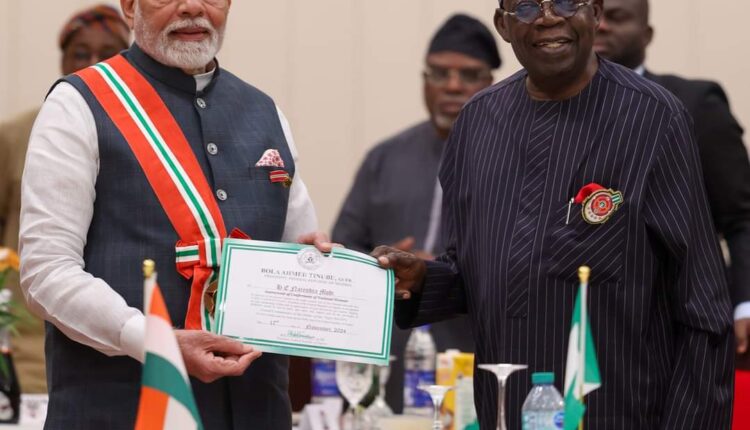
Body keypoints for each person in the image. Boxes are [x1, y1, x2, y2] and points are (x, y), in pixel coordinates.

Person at [374, 0, 734, 428]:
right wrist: (424, 280)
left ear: (595, 13)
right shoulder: (475, 125)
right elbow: (480, 274)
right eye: (525, 6)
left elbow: (703, 307)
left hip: (621, 415)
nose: (547, 17)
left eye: (565, 2)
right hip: (503, 414)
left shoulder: (654, 119)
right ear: (503, 25)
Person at [19, 0, 329, 428]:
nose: (192, 8)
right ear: (130, 6)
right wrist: (154, 341)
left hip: (257, 411)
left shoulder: (265, 111)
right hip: (121, 412)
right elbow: (45, 272)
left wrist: (316, 266)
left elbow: (298, 249)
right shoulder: (77, 105)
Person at [331, 13, 500, 412]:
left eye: (468, 74)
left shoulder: (514, 159)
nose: (453, 86)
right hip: (392, 362)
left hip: (478, 361)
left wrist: (437, 270)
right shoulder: (385, 159)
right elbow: (343, 251)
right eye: (440, 74)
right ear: (424, 81)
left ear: (491, 83)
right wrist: (382, 263)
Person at [593, 0, 750, 363]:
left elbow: (741, 216)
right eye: (597, 16)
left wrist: (745, 304)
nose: (602, 27)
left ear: (646, 35)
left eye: (617, 18)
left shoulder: (694, 103)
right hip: (584, 321)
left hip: (679, 321)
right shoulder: (552, 111)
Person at [0, 4, 130, 394]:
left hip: (123, 347)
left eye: (108, 54)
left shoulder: (152, 142)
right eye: (80, 54)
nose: (92, 65)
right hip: (30, 352)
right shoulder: (17, 135)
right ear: (62, 61)